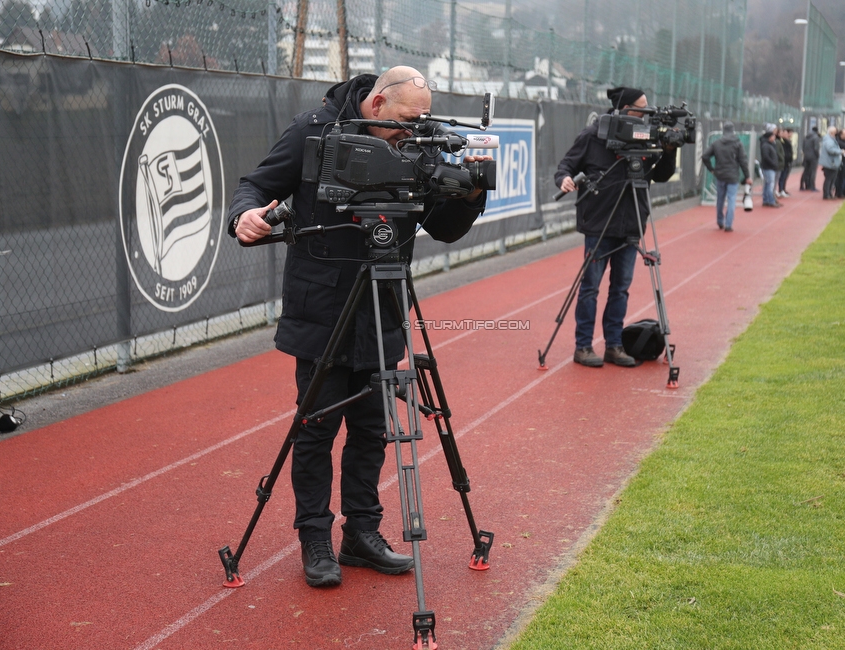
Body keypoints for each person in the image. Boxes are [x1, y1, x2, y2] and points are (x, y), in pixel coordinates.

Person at [227, 66, 490, 588]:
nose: (413, 133)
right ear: (375, 106)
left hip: (382, 304)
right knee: (317, 427)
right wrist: (245, 215)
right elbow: (255, 184)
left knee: (372, 429)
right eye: (405, 121)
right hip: (321, 307)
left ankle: (362, 534)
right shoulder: (313, 130)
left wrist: (469, 192)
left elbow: (443, 227)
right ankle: (315, 539)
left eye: (421, 123)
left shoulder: (419, 142)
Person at [555, 86, 676, 368]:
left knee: (620, 289)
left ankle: (614, 345)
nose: (647, 113)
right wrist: (564, 179)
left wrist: (669, 150)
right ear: (624, 109)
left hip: (632, 224)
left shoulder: (646, 137)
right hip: (598, 225)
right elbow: (566, 165)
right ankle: (583, 346)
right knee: (590, 288)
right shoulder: (592, 135)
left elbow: (662, 174)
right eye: (641, 108)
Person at [701, 121, 752, 232]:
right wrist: (747, 176)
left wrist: (712, 169)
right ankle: (728, 224)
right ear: (733, 130)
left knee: (720, 199)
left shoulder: (716, 143)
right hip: (733, 175)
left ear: (723, 131)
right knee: (731, 199)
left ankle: (720, 221)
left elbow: (705, 156)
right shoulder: (738, 143)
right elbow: (743, 161)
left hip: (720, 175)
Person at [819, 125, 844, 200]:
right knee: (829, 179)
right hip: (830, 163)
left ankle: (828, 193)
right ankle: (826, 194)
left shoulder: (829, 140)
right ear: (832, 133)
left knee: (831, 179)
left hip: (831, 162)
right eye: (836, 133)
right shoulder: (829, 141)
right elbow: (830, 150)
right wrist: (840, 151)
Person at [759, 124, 781, 207]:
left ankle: (766, 200)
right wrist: (773, 164)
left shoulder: (769, 145)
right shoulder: (766, 145)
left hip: (769, 167)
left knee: (767, 184)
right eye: (773, 136)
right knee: (770, 184)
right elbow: (766, 157)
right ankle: (770, 201)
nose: (774, 137)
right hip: (769, 168)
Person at [800, 126, 820, 191]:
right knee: (813, 172)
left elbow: (803, 147)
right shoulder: (816, 137)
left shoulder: (806, 137)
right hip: (813, 156)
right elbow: (816, 148)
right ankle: (812, 186)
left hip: (806, 156)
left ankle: (802, 185)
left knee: (806, 171)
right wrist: (818, 155)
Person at [777, 128, 794, 198]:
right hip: (784, 162)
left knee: (784, 176)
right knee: (781, 177)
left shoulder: (787, 141)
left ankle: (783, 189)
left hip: (787, 161)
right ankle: (781, 190)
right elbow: (783, 152)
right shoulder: (782, 142)